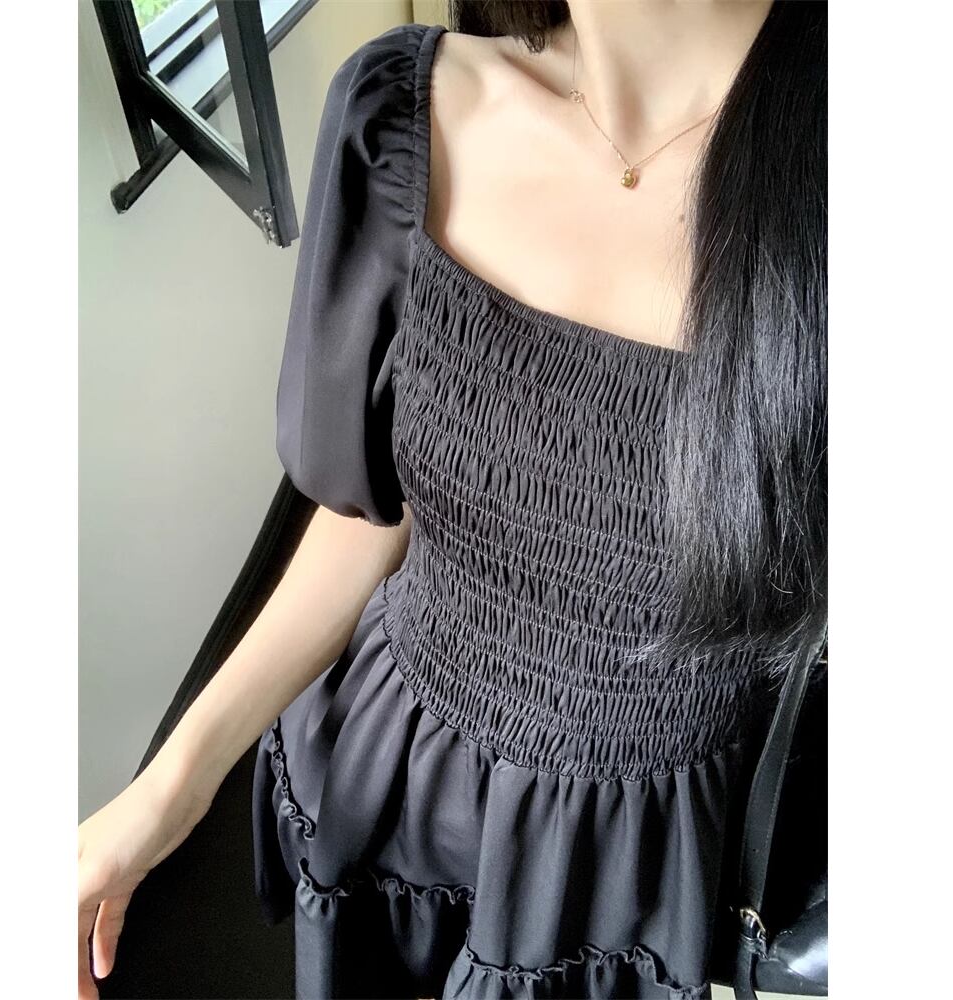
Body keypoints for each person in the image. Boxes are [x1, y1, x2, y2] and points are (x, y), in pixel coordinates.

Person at [78, 2, 827, 998]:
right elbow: (370, 515)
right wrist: (168, 789)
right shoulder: (403, 115)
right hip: (395, 776)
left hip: (623, 866)